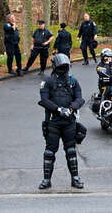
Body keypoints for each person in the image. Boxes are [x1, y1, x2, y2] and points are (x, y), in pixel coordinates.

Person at [38, 54, 85, 189]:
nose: (63, 69)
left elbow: (80, 98)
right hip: (53, 121)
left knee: (71, 150)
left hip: (69, 121)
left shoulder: (73, 81)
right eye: (60, 66)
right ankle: (47, 180)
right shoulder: (47, 82)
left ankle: (75, 178)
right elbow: (44, 100)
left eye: (64, 67)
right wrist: (58, 109)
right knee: (49, 152)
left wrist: (71, 108)